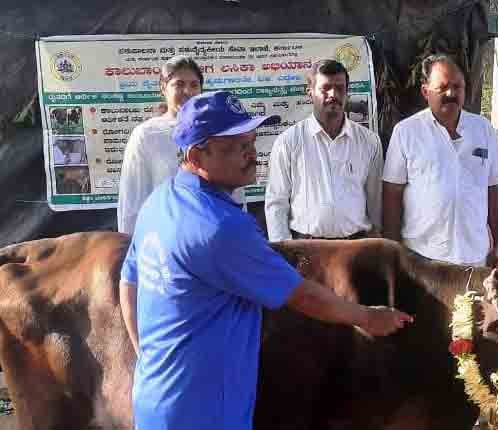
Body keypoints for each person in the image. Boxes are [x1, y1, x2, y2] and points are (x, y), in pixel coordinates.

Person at [118, 90, 413, 430]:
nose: (250, 153)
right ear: (198, 156)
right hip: (205, 412)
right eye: (234, 146)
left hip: (156, 399)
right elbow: (303, 295)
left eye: (251, 141)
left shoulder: (161, 201)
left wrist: (147, 359)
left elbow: (129, 281)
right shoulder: (220, 227)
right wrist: (367, 317)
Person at [382, 54, 498, 265]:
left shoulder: (482, 129)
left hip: (474, 256)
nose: (451, 93)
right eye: (442, 87)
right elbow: (392, 195)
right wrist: (393, 256)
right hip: (422, 258)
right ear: (425, 91)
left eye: (457, 87)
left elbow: (493, 189)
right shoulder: (406, 132)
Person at [265, 60, 383, 240]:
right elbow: (276, 203)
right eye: (325, 88)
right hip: (307, 249)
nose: (333, 94)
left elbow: (376, 200)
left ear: (347, 91)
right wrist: (283, 253)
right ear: (310, 92)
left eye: (340, 88)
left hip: (357, 248)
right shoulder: (288, 142)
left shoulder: (369, 141)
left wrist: (376, 241)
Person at [118, 55, 207, 235]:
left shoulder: (213, 131)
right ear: (163, 89)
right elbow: (131, 204)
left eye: (194, 85)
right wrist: (130, 250)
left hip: (212, 240)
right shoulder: (146, 134)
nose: (187, 91)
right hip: (163, 244)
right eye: (179, 84)